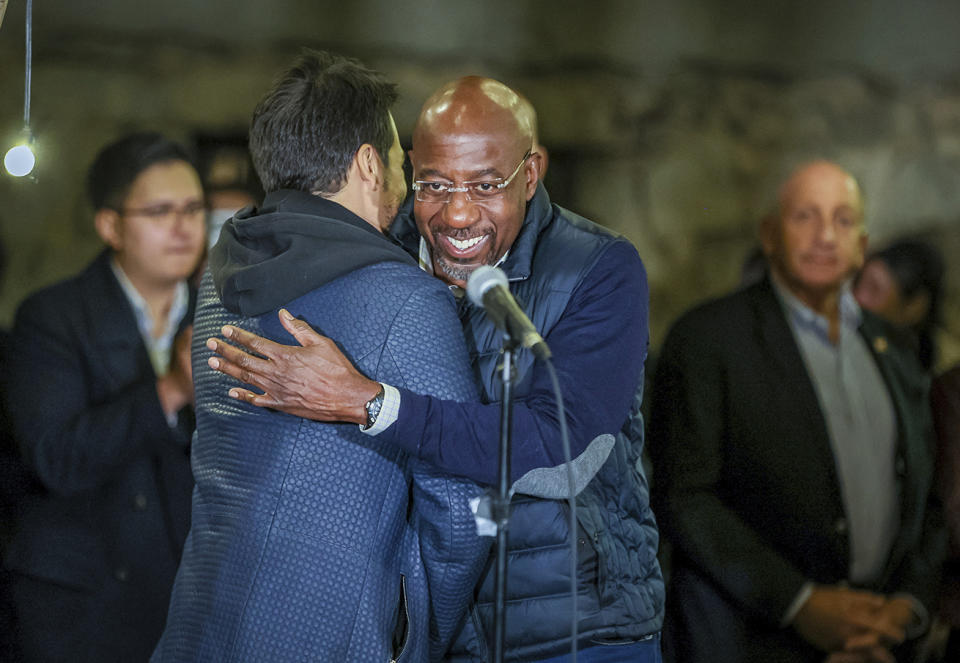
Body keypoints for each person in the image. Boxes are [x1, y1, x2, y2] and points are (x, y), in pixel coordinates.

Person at [205, 75, 663, 662]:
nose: (457, 212)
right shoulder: (381, 247)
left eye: (486, 184)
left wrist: (371, 405)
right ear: (406, 170)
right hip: (432, 627)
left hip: (573, 621)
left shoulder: (598, 268)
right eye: (434, 184)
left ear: (531, 172)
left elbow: (560, 446)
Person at [151, 50, 489, 663]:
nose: (405, 174)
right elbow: (461, 510)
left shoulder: (218, 282)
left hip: (203, 619)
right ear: (367, 162)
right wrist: (412, 635)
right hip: (330, 634)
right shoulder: (406, 300)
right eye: (394, 155)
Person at [648, 160, 944, 663]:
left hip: (880, 642)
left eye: (843, 220)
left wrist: (904, 609)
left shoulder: (894, 348)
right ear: (769, 234)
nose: (825, 235)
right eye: (805, 216)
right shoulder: (708, 339)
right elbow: (684, 496)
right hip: (749, 640)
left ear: (863, 244)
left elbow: (927, 491)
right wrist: (801, 604)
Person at [3, 132, 204, 662]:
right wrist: (173, 389)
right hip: (81, 605)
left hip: (186, 596)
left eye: (193, 208)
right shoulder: (52, 318)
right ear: (110, 225)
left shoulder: (218, 314)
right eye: (160, 211)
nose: (183, 228)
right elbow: (56, 458)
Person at [853, 238, 945, 372]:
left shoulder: (903, 372)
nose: (858, 297)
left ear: (914, 308)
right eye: (858, 282)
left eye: (874, 290)